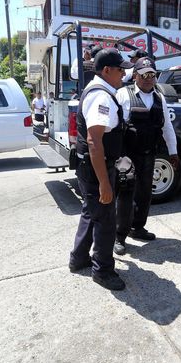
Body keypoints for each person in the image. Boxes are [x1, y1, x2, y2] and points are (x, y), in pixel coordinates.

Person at [68, 48, 133, 291]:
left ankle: (79, 258)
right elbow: (95, 141)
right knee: (105, 219)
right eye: (120, 70)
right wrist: (105, 183)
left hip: (91, 166)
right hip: (97, 169)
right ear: (107, 70)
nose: (124, 74)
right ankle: (103, 270)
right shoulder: (102, 97)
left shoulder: (100, 91)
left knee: (90, 212)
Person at [113, 57, 179, 255]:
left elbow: (167, 127)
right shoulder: (123, 94)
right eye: (145, 74)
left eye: (153, 74)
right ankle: (119, 236)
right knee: (125, 195)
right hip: (127, 156)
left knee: (145, 193)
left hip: (149, 154)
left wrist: (173, 152)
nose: (149, 78)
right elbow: (114, 128)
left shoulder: (160, 97)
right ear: (135, 76)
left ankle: (137, 227)